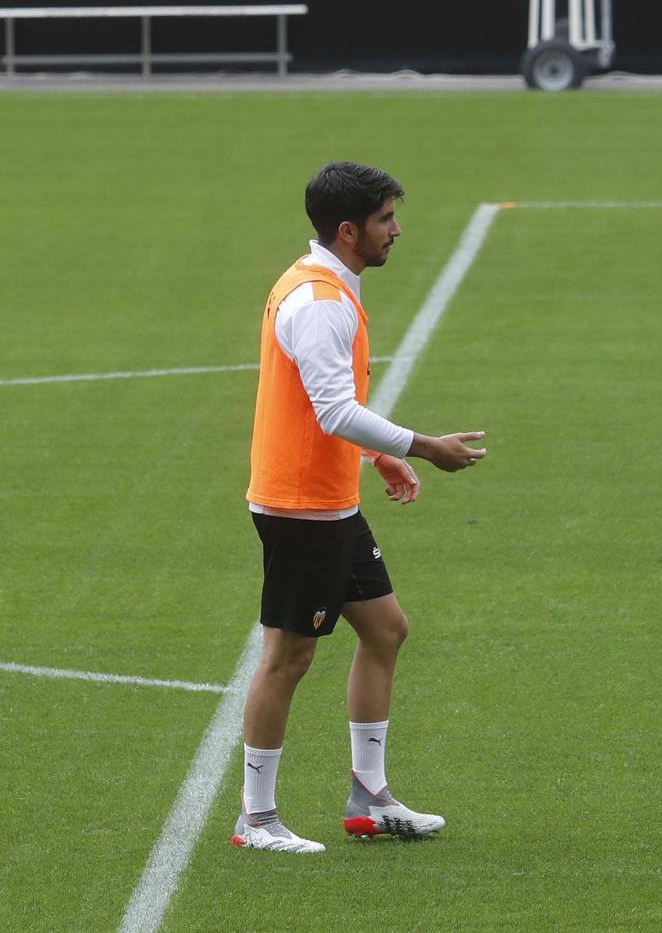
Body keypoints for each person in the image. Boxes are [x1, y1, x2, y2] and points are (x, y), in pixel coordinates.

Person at [231, 161, 489, 854]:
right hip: (300, 507)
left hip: (329, 501)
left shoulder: (324, 285)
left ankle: (368, 798)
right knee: (289, 656)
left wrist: (376, 456)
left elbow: (329, 412)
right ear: (349, 231)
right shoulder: (319, 304)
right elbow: (333, 408)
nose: (396, 231)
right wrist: (424, 444)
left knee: (386, 630)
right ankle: (256, 819)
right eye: (385, 221)